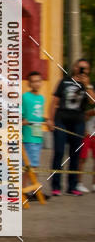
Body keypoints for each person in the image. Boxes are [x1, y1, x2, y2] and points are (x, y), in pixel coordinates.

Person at [48, 59, 94, 196]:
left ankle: (72, 186)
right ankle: (56, 186)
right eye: (80, 67)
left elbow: (92, 102)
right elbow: (54, 101)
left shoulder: (89, 85)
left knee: (75, 154)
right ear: (74, 67)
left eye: (85, 68)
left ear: (88, 71)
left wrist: (87, 85)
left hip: (78, 122)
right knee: (59, 152)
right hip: (61, 120)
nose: (82, 70)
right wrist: (50, 119)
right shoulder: (64, 82)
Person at [21, 71, 47, 198]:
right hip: (28, 136)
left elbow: (39, 116)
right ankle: (24, 191)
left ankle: (35, 191)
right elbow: (20, 114)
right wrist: (22, 121)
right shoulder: (25, 97)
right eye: (34, 81)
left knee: (35, 165)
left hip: (38, 137)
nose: (36, 83)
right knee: (27, 166)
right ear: (29, 83)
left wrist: (46, 121)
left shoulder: (42, 98)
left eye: (38, 81)